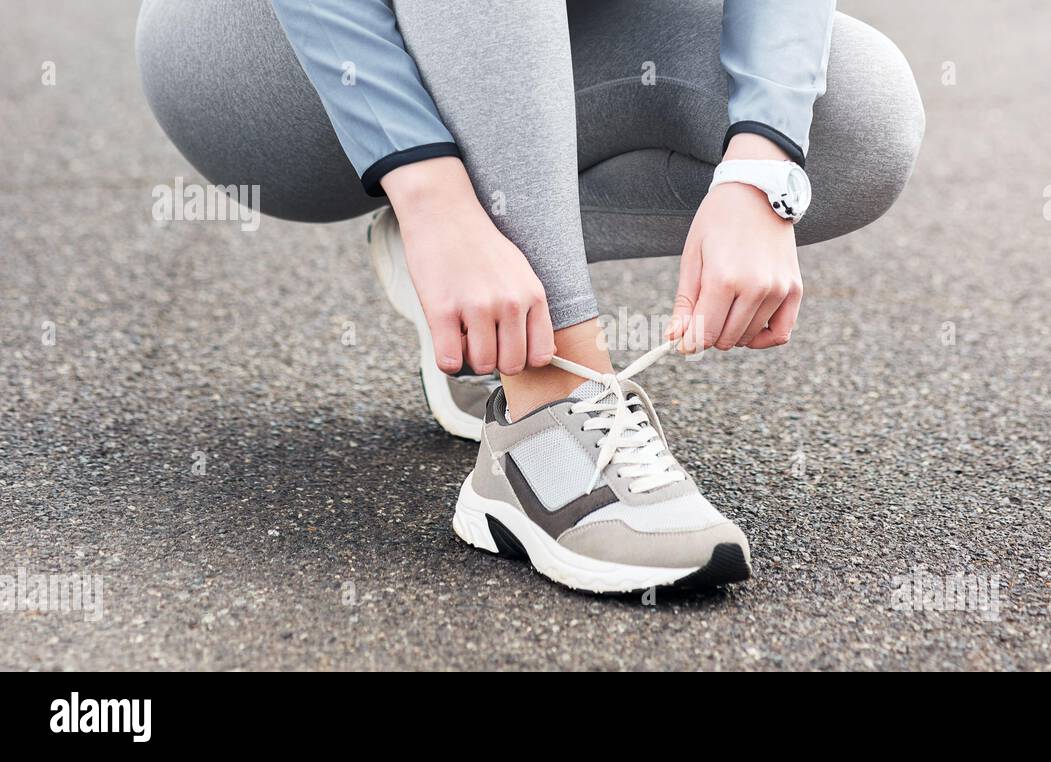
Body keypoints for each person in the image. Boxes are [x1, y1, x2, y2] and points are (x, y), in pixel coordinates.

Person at [135, 0, 924, 593]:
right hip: (274, 64)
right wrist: (429, 188)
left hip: (524, 32)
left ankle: (479, 289)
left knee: (859, 120)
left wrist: (762, 162)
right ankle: (545, 412)